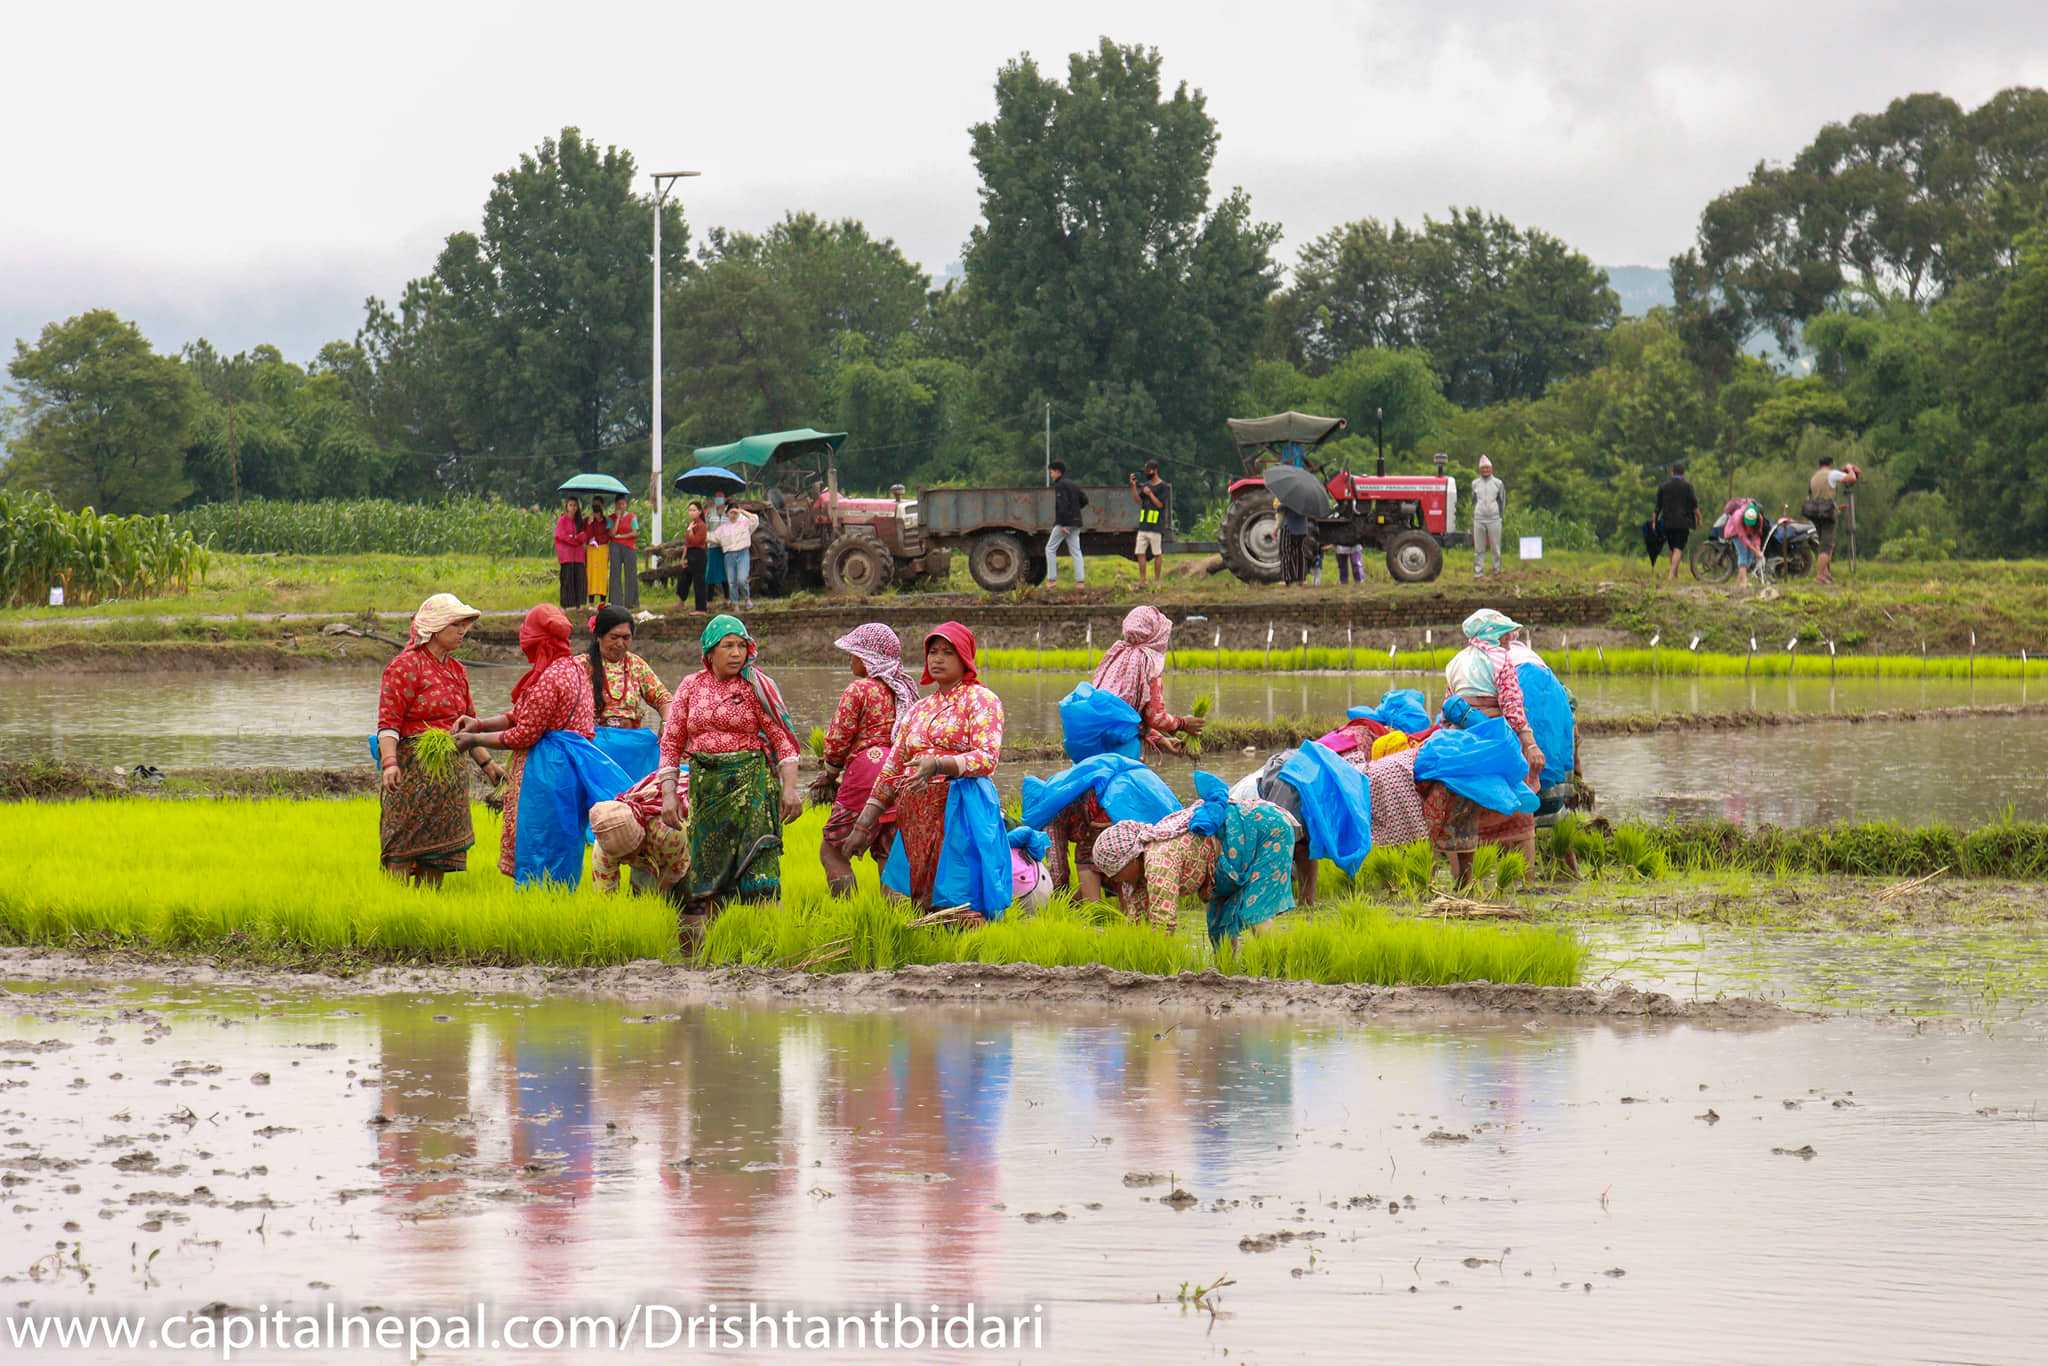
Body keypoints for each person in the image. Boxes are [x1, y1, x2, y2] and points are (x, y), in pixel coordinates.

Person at [844, 624, 1008, 919]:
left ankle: (973, 960)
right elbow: (893, 769)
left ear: (965, 658)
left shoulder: (982, 700)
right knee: (915, 897)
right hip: (917, 814)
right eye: (933, 652)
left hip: (960, 808)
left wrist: (939, 764)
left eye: (948, 652)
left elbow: (987, 758)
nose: (938, 659)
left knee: (958, 897)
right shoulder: (919, 709)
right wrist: (862, 826)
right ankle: (930, 954)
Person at [456, 604, 626, 888]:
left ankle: (539, 903)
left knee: (540, 841)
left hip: (547, 773)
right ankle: (558, 901)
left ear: (536, 639)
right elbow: (521, 716)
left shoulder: (550, 678)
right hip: (569, 769)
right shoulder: (574, 668)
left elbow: (524, 734)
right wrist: (479, 724)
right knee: (563, 841)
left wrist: (473, 740)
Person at [658, 614, 803, 914]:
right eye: (727, 646)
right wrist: (669, 795)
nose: (736, 653)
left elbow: (782, 741)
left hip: (752, 789)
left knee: (760, 869)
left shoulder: (754, 687)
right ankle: (712, 949)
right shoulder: (690, 686)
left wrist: (790, 789)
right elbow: (671, 743)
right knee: (708, 874)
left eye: (741, 646)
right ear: (709, 652)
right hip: (707, 790)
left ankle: (768, 945)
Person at [374, 593, 500, 886]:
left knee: (440, 853)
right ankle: (395, 906)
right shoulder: (404, 667)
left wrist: (488, 764)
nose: (462, 632)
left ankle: (429, 905)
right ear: (434, 627)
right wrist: (390, 763)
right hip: (412, 773)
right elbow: (388, 724)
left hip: (449, 777)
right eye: (455, 625)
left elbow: (468, 725)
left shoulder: (457, 670)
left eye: (464, 625)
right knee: (402, 847)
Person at [1091, 773, 1296, 947]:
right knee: (1218, 925)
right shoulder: (1139, 875)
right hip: (1228, 850)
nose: (1117, 881)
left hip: (1267, 830)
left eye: (1117, 874)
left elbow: (1163, 924)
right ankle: (1229, 970)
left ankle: (1275, 965)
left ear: (1130, 858)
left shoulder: (1159, 859)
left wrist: (1153, 965)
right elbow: (1138, 922)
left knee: (1256, 909)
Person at [1429, 608, 1547, 881]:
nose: (1509, 640)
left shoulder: (1455, 662)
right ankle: (1524, 881)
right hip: (1496, 742)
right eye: (1506, 635)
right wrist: (1529, 743)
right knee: (1520, 812)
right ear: (1493, 635)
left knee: (1463, 813)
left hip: (1462, 743)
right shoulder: (1500, 659)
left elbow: (1448, 707)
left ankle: (1464, 884)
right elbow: (1512, 706)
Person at [813, 622, 918, 896]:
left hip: (867, 771)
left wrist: (830, 770)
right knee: (887, 855)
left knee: (833, 852)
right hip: (899, 775)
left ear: (867, 659)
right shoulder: (905, 690)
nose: (851, 661)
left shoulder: (859, 690)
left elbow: (838, 738)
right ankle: (893, 922)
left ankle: (847, 914)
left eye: (854, 655)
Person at [1090, 605, 1206, 754]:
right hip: (1117, 745)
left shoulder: (1116, 655)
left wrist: (1161, 740)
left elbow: (1123, 716)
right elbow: (1155, 717)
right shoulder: (1149, 663)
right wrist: (1182, 723)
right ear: (1157, 635)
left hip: (1092, 737)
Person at [587, 603, 672, 783]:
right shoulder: (580, 666)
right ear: (598, 636)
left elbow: (664, 698)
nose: (620, 644)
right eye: (614, 637)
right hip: (594, 751)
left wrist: (666, 722)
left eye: (626, 637)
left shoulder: (636, 665)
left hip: (631, 749)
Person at [589, 776, 692, 901]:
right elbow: (605, 896)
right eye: (621, 857)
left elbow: (679, 868)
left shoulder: (669, 832)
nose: (626, 861)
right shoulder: (604, 849)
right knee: (642, 895)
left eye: (628, 854)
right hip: (648, 849)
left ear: (640, 837)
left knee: (683, 894)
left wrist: (660, 898)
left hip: (686, 836)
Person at [1806, 454, 1860, 586]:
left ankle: (1825, 574)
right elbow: (1852, 478)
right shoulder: (1832, 473)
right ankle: (1820, 576)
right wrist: (1849, 468)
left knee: (1825, 544)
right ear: (1830, 464)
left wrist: (1836, 507)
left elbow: (1817, 496)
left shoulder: (1814, 477)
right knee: (1827, 545)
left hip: (1815, 513)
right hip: (1827, 514)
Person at [1045, 460, 1088, 587]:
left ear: (1058, 472)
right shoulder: (1073, 484)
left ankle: (1051, 580)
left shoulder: (1060, 485)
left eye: (1051, 472)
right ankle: (1080, 582)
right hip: (1076, 522)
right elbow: (1085, 500)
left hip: (1064, 523)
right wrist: (1075, 511)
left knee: (1050, 548)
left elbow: (1062, 505)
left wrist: (1064, 524)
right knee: (1076, 551)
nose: (1050, 474)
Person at [1654, 463, 1699, 582]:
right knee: (1678, 548)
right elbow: (1694, 506)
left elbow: (1657, 507)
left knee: (1672, 548)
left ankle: (1675, 575)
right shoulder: (1688, 486)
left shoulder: (1663, 486)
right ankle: (1671, 575)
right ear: (1683, 473)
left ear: (1672, 472)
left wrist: (1654, 522)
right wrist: (1699, 519)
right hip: (1683, 523)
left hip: (1667, 522)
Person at [711, 500, 758, 609]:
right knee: (732, 581)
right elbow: (713, 537)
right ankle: (735, 603)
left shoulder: (745, 523)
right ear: (727, 514)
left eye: (735, 513)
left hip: (743, 553)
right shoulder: (723, 527)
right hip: (729, 555)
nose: (733, 515)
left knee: (742, 579)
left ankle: (747, 598)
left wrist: (742, 511)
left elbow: (755, 520)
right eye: (731, 512)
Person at [1131, 461, 1168, 585]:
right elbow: (1138, 501)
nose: (1147, 473)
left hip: (1156, 526)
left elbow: (1160, 505)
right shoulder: (1146, 485)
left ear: (1155, 470)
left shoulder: (1163, 487)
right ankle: (1143, 581)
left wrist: (1150, 493)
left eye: (1148, 470)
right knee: (1140, 553)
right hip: (1144, 526)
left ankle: (1157, 581)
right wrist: (1133, 487)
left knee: (1157, 553)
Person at [1716, 496, 1766, 590]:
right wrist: (1755, 550)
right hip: (1735, 533)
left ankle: (1739, 583)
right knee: (1743, 554)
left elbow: (1757, 536)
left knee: (1750, 558)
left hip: (1749, 534)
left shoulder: (1759, 519)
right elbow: (1743, 537)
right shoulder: (1737, 517)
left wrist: (1757, 549)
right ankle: (1744, 583)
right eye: (1747, 523)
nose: (1748, 525)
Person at [1470, 456, 1505, 577]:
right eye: (1483, 468)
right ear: (1480, 470)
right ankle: (1478, 573)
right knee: (1479, 548)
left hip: (1494, 519)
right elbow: (1473, 501)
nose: (1485, 470)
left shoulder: (1498, 483)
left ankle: (1497, 571)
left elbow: (1502, 501)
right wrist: (1474, 515)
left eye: (1488, 468)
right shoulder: (1475, 483)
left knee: (1495, 547)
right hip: (1479, 519)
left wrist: (1500, 516)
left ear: (1491, 469)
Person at [554, 497, 591, 609]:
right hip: (567, 555)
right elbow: (560, 535)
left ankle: (579, 605)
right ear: (567, 506)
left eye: (575, 505)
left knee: (579, 579)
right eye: (571, 505)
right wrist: (575, 539)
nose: (573, 507)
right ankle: (567, 605)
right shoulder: (562, 520)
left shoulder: (580, 521)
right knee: (567, 580)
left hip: (579, 556)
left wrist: (576, 538)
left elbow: (585, 535)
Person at [608, 493, 641, 609]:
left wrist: (622, 536)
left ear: (626, 505)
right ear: (615, 505)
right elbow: (611, 533)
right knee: (615, 573)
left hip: (629, 546)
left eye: (623, 504)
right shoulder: (611, 517)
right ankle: (616, 602)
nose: (621, 506)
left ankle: (631, 602)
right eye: (619, 504)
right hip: (615, 546)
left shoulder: (632, 516)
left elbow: (635, 532)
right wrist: (617, 518)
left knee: (631, 574)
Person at [682, 500, 710, 613]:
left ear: (699, 512)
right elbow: (687, 543)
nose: (691, 512)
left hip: (698, 554)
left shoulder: (702, 525)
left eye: (694, 510)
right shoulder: (691, 524)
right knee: (684, 577)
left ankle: (701, 608)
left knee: (699, 581)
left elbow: (696, 541)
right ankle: (681, 601)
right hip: (690, 553)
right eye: (690, 510)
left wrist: (690, 532)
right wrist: (683, 557)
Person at [583, 497, 612, 608]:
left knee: (602, 574)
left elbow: (608, 536)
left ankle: (602, 601)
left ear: (602, 506)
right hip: (591, 550)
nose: (596, 508)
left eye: (598, 506)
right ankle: (590, 601)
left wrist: (598, 539)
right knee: (591, 574)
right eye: (594, 505)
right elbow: (587, 536)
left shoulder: (606, 521)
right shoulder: (587, 520)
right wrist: (590, 523)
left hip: (603, 549)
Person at [1279, 502, 1314, 586]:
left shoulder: (1289, 499)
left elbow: (1280, 509)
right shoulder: (1304, 500)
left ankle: (1286, 578)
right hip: (1302, 529)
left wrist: (1279, 505)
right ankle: (1301, 579)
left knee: (1285, 553)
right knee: (1299, 553)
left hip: (1289, 528)